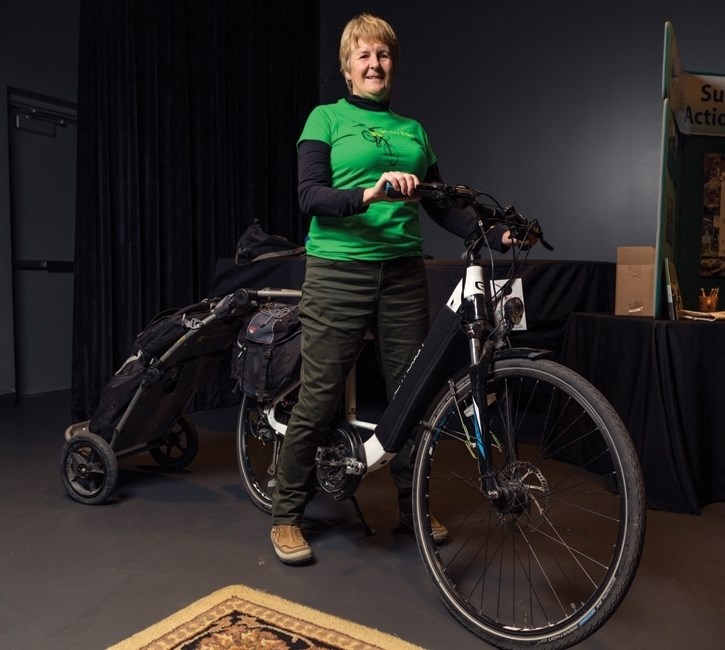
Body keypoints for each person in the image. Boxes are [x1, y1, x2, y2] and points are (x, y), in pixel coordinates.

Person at [270, 12, 529, 564]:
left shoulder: (414, 131)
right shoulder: (325, 119)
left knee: (412, 396)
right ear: (347, 67)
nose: (374, 64)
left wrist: (493, 229)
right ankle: (287, 512)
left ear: (392, 65)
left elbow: (439, 202)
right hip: (339, 270)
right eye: (363, 55)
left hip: (402, 274)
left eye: (382, 55)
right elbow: (310, 196)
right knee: (319, 394)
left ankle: (413, 505)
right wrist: (372, 192)